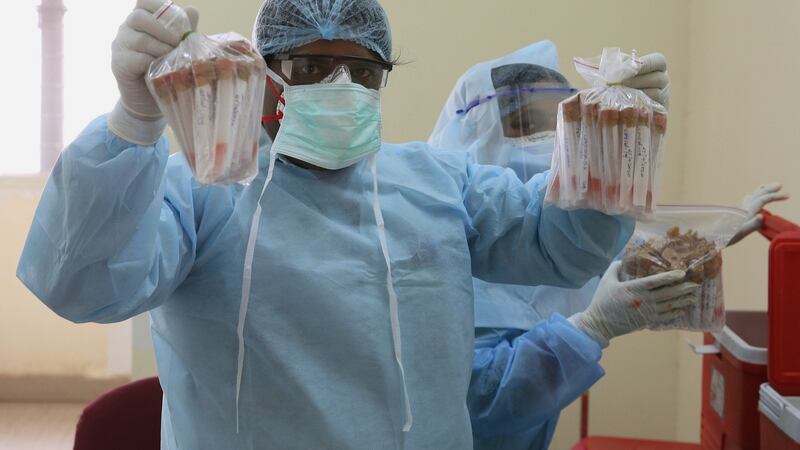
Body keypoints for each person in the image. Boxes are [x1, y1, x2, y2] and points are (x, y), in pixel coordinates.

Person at [16, 1, 701, 448]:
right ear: (265, 77)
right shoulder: (203, 192)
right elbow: (82, 283)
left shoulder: (439, 182)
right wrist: (135, 119)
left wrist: (612, 142)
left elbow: (560, 251)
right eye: (312, 66)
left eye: (362, 70)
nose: (341, 85)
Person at [429, 41, 788, 449]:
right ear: (480, 132)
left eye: (560, 131)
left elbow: (625, 253)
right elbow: (477, 403)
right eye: (534, 130)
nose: (551, 147)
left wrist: (720, 230)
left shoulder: (549, 232)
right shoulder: (445, 245)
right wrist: (591, 329)